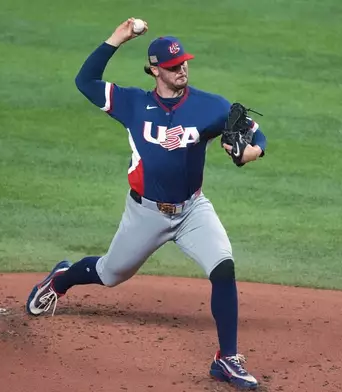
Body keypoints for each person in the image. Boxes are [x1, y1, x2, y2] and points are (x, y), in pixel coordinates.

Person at [25, 17, 267, 390]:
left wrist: (252, 152)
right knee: (110, 274)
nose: (181, 69)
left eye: (183, 62)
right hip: (146, 213)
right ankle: (62, 279)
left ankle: (227, 359)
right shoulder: (132, 103)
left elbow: (254, 133)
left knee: (223, 267)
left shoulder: (211, 107)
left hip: (192, 211)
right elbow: (84, 83)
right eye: (172, 66)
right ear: (155, 70)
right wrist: (116, 38)